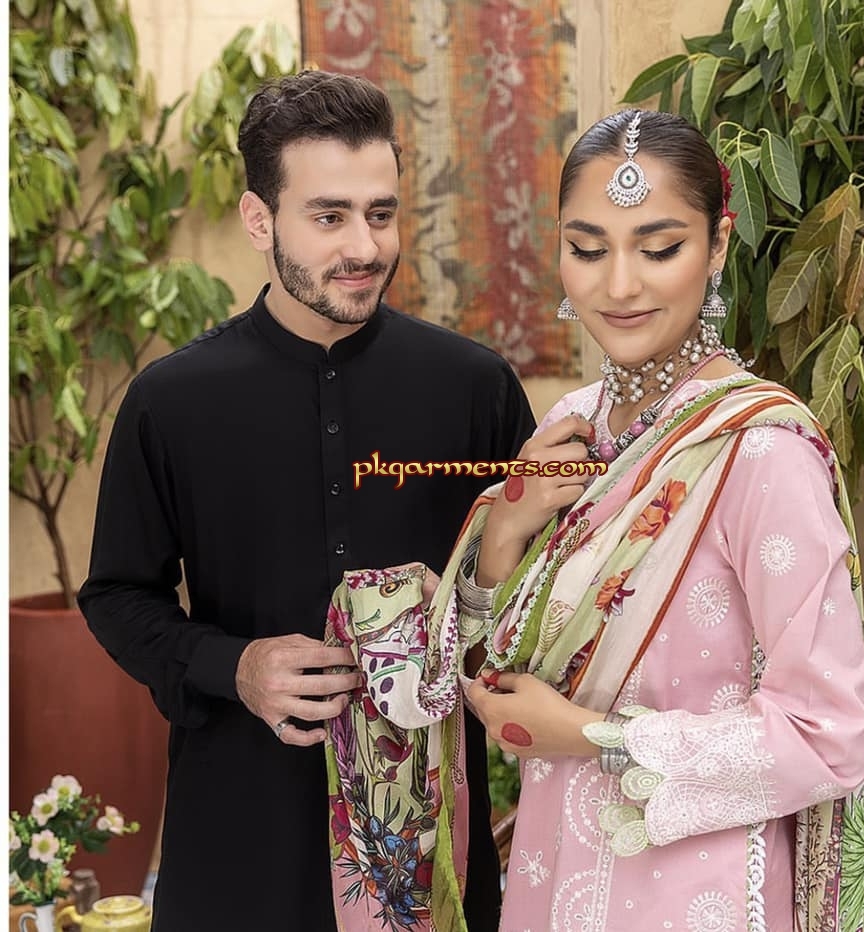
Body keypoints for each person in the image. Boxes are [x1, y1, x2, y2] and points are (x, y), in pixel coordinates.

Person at [78, 70, 535, 932]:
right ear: (260, 220)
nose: (364, 246)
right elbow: (116, 596)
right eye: (329, 217)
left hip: (426, 845)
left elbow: (536, 597)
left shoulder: (477, 388)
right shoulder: (170, 402)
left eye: (381, 213)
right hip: (240, 834)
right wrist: (234, 666)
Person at [437, 109, 864, 931]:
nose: (619, 285)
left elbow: (829, 734)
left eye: (659, 248)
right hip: (554, 873)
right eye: (588, 249)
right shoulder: (567, 430)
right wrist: (505, 530)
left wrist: (597, 738)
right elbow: (496, 681)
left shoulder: (759, 452)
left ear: (718, 245)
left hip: (697, 891)